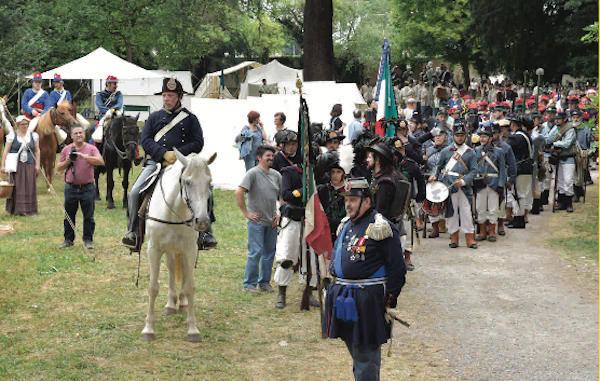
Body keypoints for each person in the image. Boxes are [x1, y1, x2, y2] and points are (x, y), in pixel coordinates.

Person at [322, 177, 406, 381]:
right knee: (356, 351)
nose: (347, 204)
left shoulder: (381, 227)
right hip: (342, 297)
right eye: (346, 199)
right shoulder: (346, 225)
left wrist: (390, 297)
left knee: (365, 356)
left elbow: (397, 268)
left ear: (366, 202)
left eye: (352, 199)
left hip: (366, 301)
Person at [122, 78, 205, 251]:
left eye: (170, 95)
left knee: (204, 191)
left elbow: (198, 142)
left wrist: (177, 155)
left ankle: (206, 233)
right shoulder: (154, 118)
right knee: (135, 193)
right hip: (156, 163)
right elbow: (145, 140)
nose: (166, 98)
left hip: (182, 165)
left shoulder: (191, 119)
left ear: (179, 97)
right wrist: (163, 154)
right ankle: (133, 233)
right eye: (164, 95)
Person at [235, 145, 281, 294]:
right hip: (256, 222)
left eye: (272, 156)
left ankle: (264, 283)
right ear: (259, 158)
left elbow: (282, 197)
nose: (271, 158)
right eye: (268, 155)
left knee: (269, 253)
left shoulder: (276, 176)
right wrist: (246, 213)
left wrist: (279, 214)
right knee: (255, 252)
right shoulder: (253, 173)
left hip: (272, 222)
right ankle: (249, 285)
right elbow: (238, 192)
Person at [429, 119, 478, 249]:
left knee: (466, 212)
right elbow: (438, 167)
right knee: (451, 213)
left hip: (464, 186)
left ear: (465, 136)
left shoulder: (470, 152)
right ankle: (454, 238)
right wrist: (434, 177)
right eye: (457, 135)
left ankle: (470, 239)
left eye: (462, 135)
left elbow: (474, 171)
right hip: (449, 186)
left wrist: (463, 181)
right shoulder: (446, 151)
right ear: (453, 135)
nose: (460, 137)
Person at [56, 125, 104, 249]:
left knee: (88, 216)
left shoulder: (91, 148)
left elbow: (101, 161)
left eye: (80, 133)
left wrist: (85, 157)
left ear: (84, 134)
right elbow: (58, 168)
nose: (78, 135)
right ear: (71, 136)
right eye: (76, 133)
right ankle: (68, 240)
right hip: (71, 188)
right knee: (69, 215)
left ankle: (88, 240)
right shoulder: (66, 149)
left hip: (87, 187)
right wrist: (67, 161)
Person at [0, 116, 40, 216]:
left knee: (29, 185)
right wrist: (3, 165)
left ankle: (30, 209)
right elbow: (6, 151)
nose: (25, 126)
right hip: (16, 165)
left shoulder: (33, 135)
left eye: (26, 124)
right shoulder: (12, 136)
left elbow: (37, 150)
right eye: (23, 124)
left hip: (29, 164)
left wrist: (37, 164)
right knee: (17, 186)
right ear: (18, 125)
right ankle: (16, 209)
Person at [474, 125, 506, 242]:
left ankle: (492, 232)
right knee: (480, 208)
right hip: (480, 183)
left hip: (494, 182)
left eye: (484, 136)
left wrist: (501, 184)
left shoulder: (498, 151)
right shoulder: (476, 151)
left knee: (493, 209)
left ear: (490, 138)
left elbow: (502, 169)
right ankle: (482, 232)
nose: (482, 139)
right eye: (481, 136)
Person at [505, 115, 534, 227]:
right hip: (526, 167)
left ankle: (519, 219)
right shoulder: (526, 135)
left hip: (519, 169)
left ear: (512, 125)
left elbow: (506, 150)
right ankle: (518, 217)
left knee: (518, 194)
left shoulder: (515, 138)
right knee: (520, 194)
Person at [545, 112, 576, 212]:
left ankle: (569, 203)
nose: (557, 120)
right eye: (556, 119)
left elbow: (567, 143)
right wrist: (551, 145)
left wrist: (555, 144)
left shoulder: (570, 129)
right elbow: (548, 139)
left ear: (564, 119)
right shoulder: (555, 129)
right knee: (560, 182)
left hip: (568, 158)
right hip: (558, 158)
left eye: (559, 119)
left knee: (568, 181)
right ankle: (562, 202)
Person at [91, 75, 123, 143]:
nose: (116, 86)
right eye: (114, 84)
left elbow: (119, 105)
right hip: (104, 116)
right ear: (108, 84)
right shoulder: (99, 95)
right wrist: (109, 112)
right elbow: (101, 108)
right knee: (97, 133)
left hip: (117, 115)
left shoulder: (118, 94)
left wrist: (112, 111)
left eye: (116, 84)